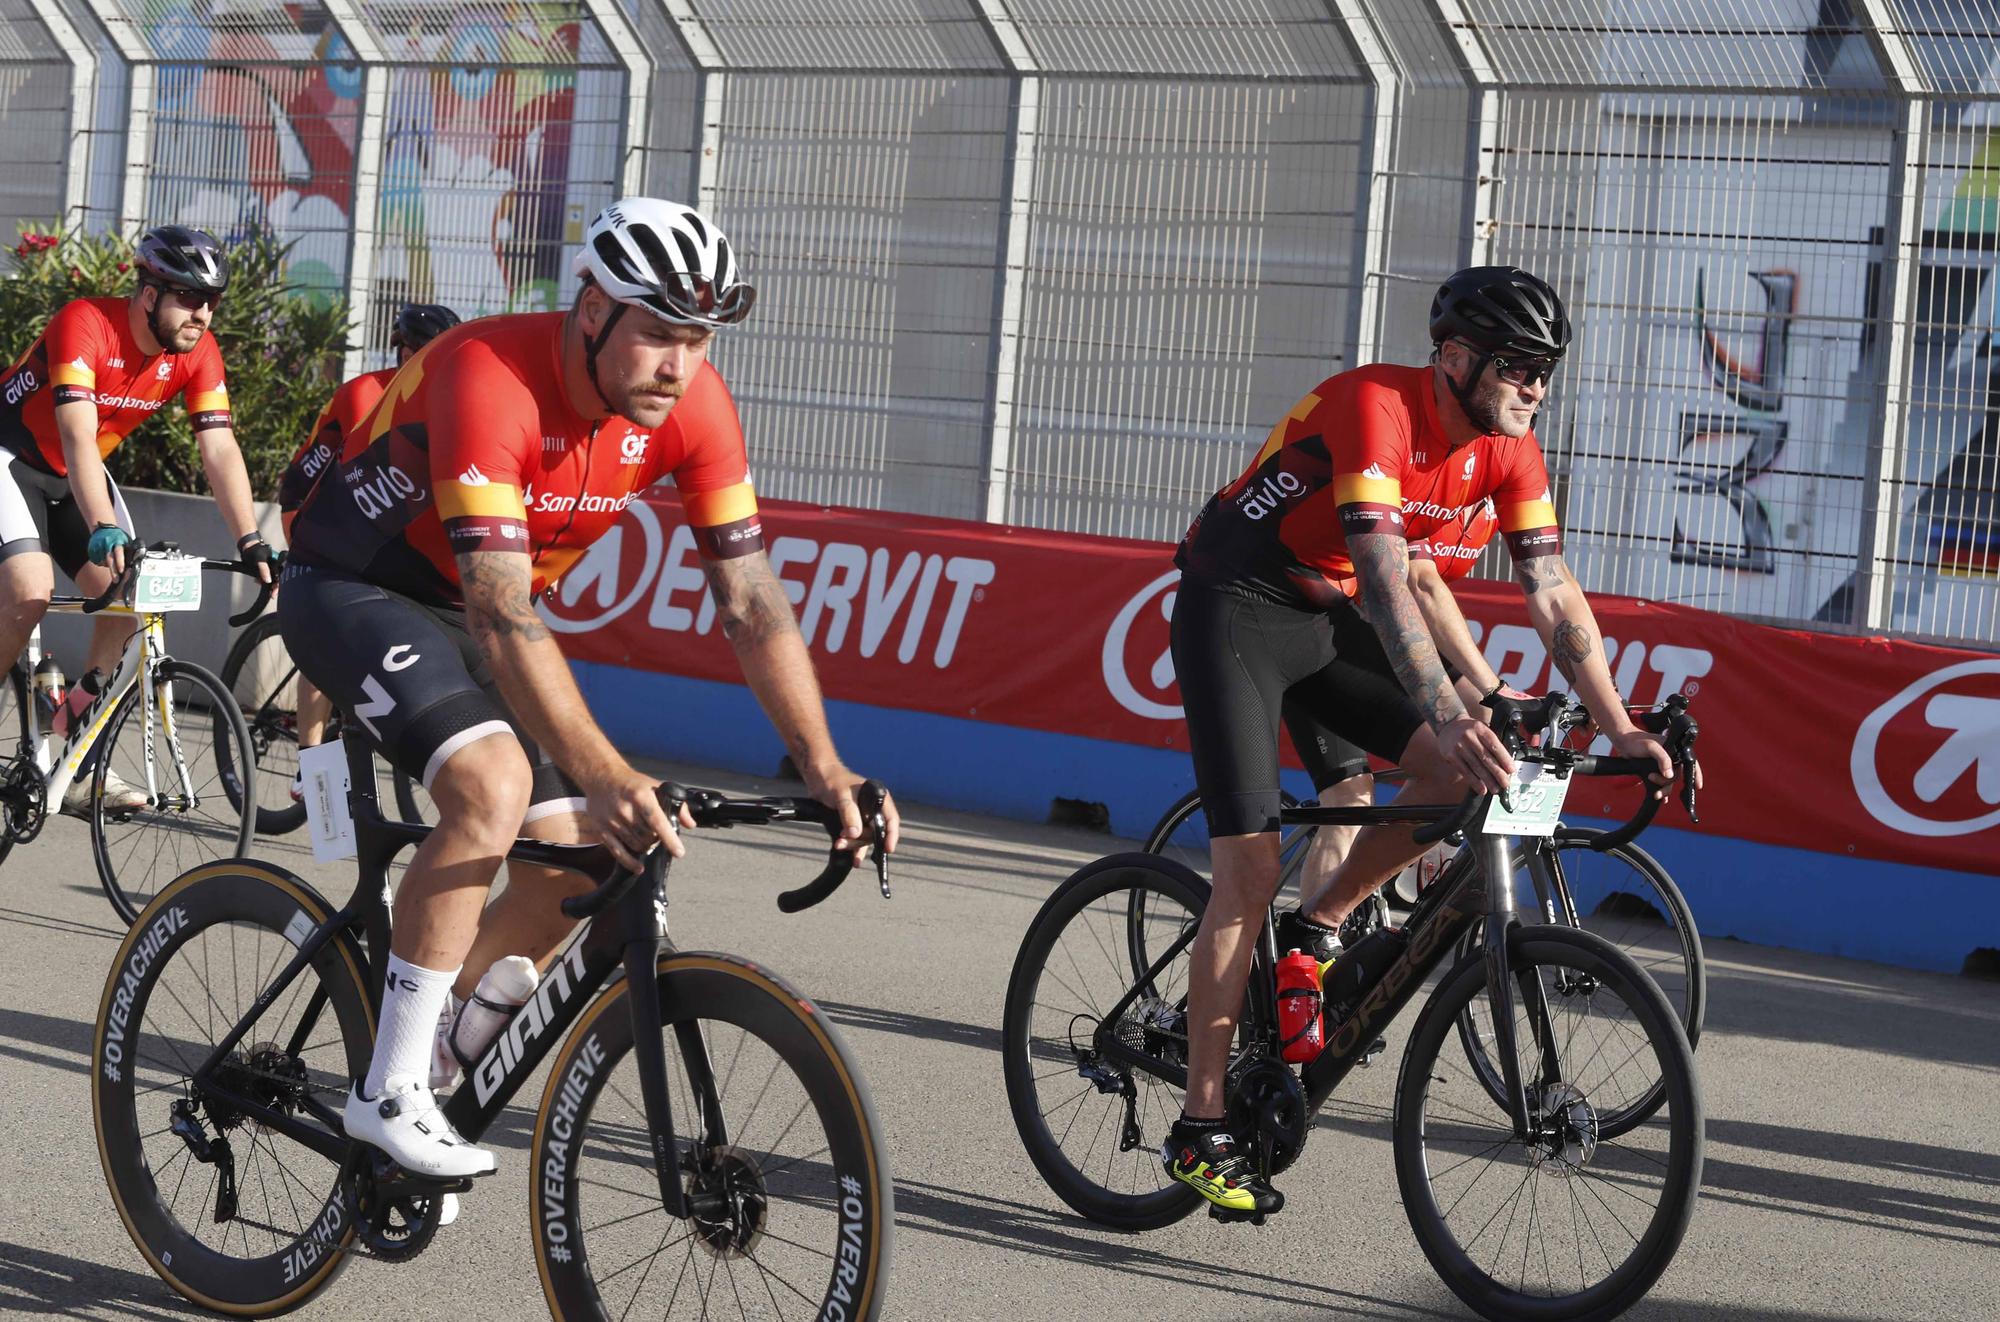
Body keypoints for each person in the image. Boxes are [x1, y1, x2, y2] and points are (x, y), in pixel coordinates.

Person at [279, 198, 900, 1181]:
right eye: (658, 333)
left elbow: (749, 601)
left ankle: (438, 1059)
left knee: (578, 856)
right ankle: (385, 1091)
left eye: (696, 340)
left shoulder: (692, 405)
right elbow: (497, 610)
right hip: (354, 584)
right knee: (489, 785)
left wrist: (825, 767)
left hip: (482, 605)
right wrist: (607, 768)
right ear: (594, 310)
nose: (678, 365)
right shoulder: (490, 373)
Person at [1161, 266, 1692, 1218]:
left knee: (1461, 779)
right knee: (1243, 875)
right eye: (1521, 365)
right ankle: (1202, 1125)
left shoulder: (1508, 451)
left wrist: (1618, 723)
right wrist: (1453, 707)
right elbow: (1383, 571)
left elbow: (1553, 590)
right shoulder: (1376, 407)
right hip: (1234, 606)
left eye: (1547, 371)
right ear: (1455, 357)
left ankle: (1318, 929)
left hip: (1324, 618)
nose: (1536, 386)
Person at [0, 224, 277, 813]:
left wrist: (251, 538)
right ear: (149, 294)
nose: (202, 314)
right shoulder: (84, 321)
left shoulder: (198, 351)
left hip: (74, 477)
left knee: (132, 607)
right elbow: (77, 434)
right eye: (189, 298)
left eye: (211, 302)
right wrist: (103, 522)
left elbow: (220, 447)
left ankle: (66, 750)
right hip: (11, 458)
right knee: (30, 593)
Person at [273, 303, 463, 789]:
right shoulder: (365, 393)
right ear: (403, 351)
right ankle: (311, 760)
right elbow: (312, 482)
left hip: (388, 535)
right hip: (323, 522)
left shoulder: (450, 399)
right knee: (328, 645)